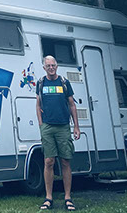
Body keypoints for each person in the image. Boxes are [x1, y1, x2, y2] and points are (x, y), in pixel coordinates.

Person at [36, 55, 80, 211]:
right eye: (48, 66)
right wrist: (41, 125)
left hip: (63, 126)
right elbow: (38, 104)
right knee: (49, 161)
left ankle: (68, 198)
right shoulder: (41, 83)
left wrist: (76, 127)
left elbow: (72, 105)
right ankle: (49, 198)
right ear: (44, 68)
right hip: (47, 127)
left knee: (65, 161)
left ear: (57, 66)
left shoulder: (64, 83)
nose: (51, 68)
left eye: (53, 65)